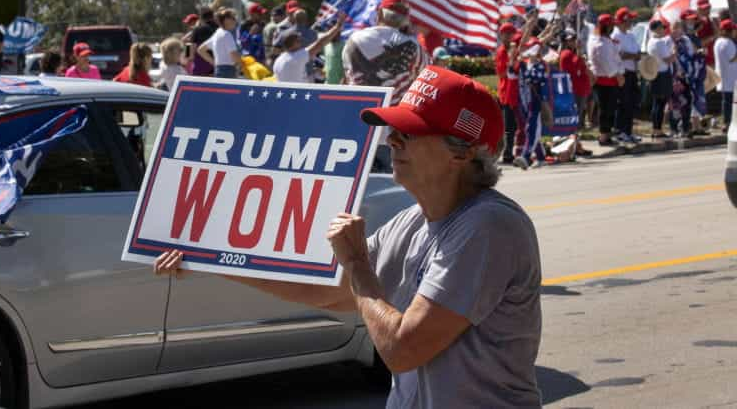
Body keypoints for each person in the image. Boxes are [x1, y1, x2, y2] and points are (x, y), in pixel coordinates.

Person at [154, 65, 543, 409]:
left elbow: (403, 349)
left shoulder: (489, 227)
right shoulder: (413, 222)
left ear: (462, 153)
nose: (392, 140)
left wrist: (357, 262)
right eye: (394, 129)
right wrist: (212, 258)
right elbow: (330, 291)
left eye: (410, 132)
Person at [342, 0, 426, 92]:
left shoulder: (354, 39)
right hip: (394, 106)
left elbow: (347, 76)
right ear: (405, 21)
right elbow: (425, 76)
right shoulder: (413, 45)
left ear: (380, 14)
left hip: (359, 104)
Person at [588, 13, 624, 146]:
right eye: (611, 25)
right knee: (605, 109)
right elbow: (608, 63)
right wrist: (618, 74)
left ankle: (607, 134)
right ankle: (603, 136)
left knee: (610, 109)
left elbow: (616, 59)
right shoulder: (600, 43)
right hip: (605, 79)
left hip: (610, 79)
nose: (613, 27)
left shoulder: (605, 41)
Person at [273, 16, 343, 83]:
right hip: (299, 94)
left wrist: (313, 72)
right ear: (293, 43)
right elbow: (320, 43)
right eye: (298, 41)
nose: (301, 43)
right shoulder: (298, 56)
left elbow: (292, 74)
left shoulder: (278, 60)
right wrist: (337, 26)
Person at [494, 21, 527, 166]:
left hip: (516, 93)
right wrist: (510, 60)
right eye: (507, 34)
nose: (511, 37)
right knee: (509, 127)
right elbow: (501, 73)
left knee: (517, 125)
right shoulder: (502, 51)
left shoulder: (514, 50)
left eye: (512, 34)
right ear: (502, 36)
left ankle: (515, 151)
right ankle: (507, 154)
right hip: (507, 94)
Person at [558, 28, 594, 156]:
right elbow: (576, 68)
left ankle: (576, 146)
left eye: (574, 39)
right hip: (575, 91)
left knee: (577, 121)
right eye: (571, 40)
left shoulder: (572, 54)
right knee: (574, 122)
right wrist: (579, 53)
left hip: (580, 90)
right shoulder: (567, 54)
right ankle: (572, 147)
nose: (574, 41)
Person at [517, 38, 550, 168]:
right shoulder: (524, 64)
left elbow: (535, 78)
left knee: (532, 129)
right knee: (531, 129)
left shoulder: (541, 65)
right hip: (524, 101)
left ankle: (525, 156)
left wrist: (526, 66)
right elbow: (511, 74)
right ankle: (541, 156)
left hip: (535, 103)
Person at [611, 7, 642, 144]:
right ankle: (620, 131)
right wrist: (633, 56)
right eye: (629, 19)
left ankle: (628, 131)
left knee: (631, 103)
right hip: (622, 72)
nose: (631, 22)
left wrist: (635, 56)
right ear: (623, 21)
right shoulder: (616, 36)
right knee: (623, 103)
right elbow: (619, 55)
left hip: (632, 72)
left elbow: (637, 52)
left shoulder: (631, 35)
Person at [646, 19, 675, 138]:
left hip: (655, 73)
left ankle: (656, 128)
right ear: (657, 29)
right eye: (662, 27)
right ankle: (657, 129)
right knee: (660, 103)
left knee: (657, 103)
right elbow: (668, 59)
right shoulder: (659, 42)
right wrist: (675, 51)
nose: (664, 30)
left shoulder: (651, 41)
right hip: (662, 73)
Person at [682, 10, 709, 135]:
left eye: (694, 20)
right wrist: (698, 52)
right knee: (690, 98)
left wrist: (701, 52)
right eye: (690, 20)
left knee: (697, 97)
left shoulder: (695, 36)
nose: (692, 22)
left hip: (698, 72)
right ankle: (688, 126)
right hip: (689, 72)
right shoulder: (683, 37)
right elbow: (686, 54)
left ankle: (696, 126)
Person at [669, 15, 696, 137]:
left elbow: (691, 55)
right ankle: (674, 128)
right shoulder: (668, 41)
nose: (677, 30)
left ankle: (686, 127)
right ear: (670, 29)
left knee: (687, 101)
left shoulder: (686, 40)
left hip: (686, 75)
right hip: (674, 76)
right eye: (675, 27)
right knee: (675, 103)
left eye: (679, 27)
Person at [197, 8, 242, 78]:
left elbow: (200, 49)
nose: (235, 21)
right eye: (233, 18)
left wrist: (214, 63)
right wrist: (241, 64)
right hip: (228, 71)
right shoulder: (227, 34)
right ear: (227, 20)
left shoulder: (217, 33)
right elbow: (234, 56)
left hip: (217, 70)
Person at [714, 19, 737, 131]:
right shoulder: (728, 43)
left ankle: (727, 122)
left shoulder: (718, 41)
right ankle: (727, 123)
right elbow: (732, 58)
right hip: (730, 77)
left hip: (724, 76)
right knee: (729, 102)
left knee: (726, 101)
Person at [186, 8, 218, 77]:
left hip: (200, 70)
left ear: (200, 18)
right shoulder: (220, 30)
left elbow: (189, 53)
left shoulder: (197, 30)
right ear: (213, 16)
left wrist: (187, 59)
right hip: (218, 68)